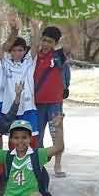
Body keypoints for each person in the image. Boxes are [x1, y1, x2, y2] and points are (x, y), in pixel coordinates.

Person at [34, 25, 69, 177]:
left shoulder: (58, 56)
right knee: (37, 136)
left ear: (56, 43)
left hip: (55, 103)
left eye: (50, 42)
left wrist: (70, 23)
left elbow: (73, 45)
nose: (45, 44)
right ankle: (39, 163)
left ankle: (58, 164)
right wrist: (35, 27)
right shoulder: (34, 55)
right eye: (44, 40)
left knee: (57, 133)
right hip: (37, 103)